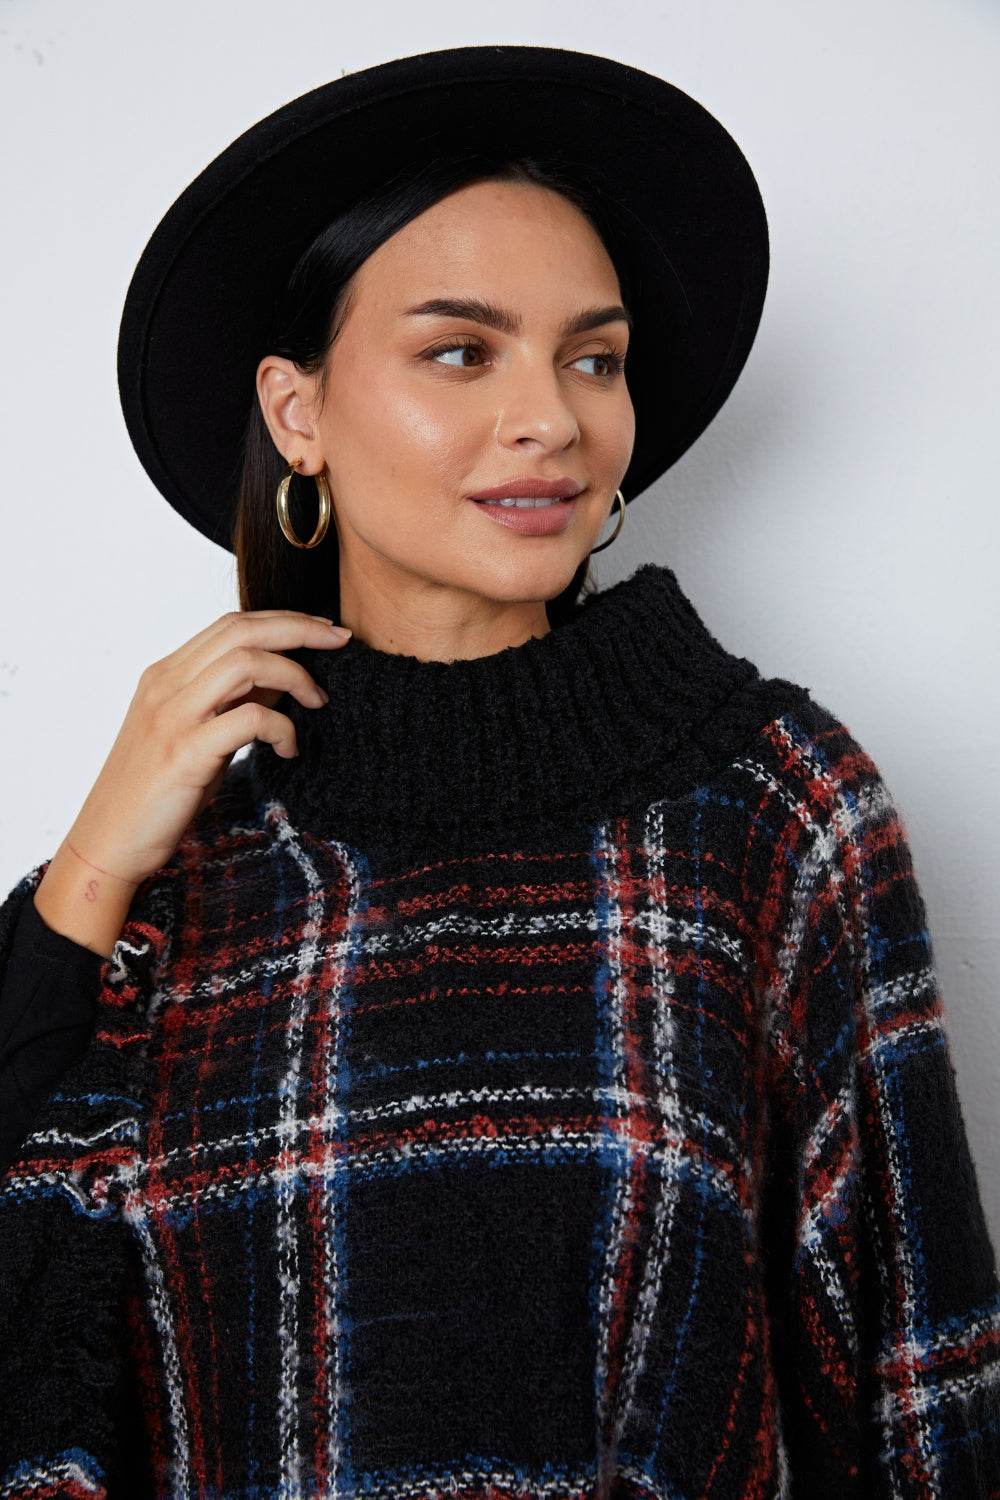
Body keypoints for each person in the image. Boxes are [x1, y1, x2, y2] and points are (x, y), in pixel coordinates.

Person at [0, 42, 997, 1500]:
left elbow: (925, 1391)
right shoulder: (167, 872)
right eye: (462, 352)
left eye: (593, 359)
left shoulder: (775, 812)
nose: (554, 418)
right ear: (296, 412)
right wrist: (87, 878)